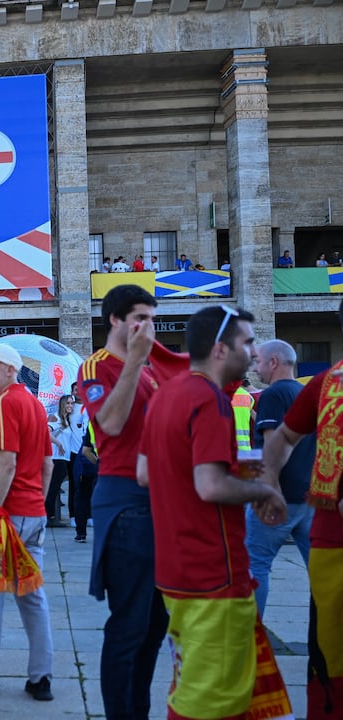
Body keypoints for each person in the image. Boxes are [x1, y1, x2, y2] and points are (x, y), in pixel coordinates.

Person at [138, 305, 291, 720]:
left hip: (175, 569)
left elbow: (145, 472)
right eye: (247, 342)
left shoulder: (166, 392)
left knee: (190, 684)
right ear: (221, 349)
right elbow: (209, 485)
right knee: (211, 701)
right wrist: (261, 489)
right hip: (213, 572)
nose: (254, 351)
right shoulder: (210, 400)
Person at [77, 284, 175, 720]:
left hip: (161, 501)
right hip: (124, 503)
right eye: (140, 318)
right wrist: (135, 360)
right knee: (129, 625)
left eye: (152, 319)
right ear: (115, 319)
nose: (147, 328)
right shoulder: (97, 366)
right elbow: (111, 424)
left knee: (155, 625)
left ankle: (138, 709)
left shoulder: (153, 366)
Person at [259, 299, 343, 719]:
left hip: (326, 529)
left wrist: (271, 483)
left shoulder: (327, 384)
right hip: (323, 526)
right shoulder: (321, 384)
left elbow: (281, 438)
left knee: (330, 644)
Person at [0, 343, 55, 702]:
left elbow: (7, 462)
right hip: (32, 513)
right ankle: (40, 678)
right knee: (33, 596)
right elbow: (47, 465)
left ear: (11, 370)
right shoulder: (34, 404)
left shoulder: (3, 404)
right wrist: (37, 504)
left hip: (3, 515)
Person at [247, 339, 314, 617]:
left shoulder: (273, 396)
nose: (256, 368)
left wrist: (268, 493)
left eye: (259, 362)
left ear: (273, 362)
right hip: (309, 497)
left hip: (280, 495)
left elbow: (274, 448)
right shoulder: (306, 393)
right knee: (320, 569)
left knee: (255, 565)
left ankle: (250, 640)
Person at [45, 395, 80, 527]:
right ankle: (48, 517)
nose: (70, 405)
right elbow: (46, 432)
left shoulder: (65, 419)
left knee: (53, 488)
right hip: (56, 458)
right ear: (63, 404)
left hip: (63, 458)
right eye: (68, 403)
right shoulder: (57, 418)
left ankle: (49, 516)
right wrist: (59, 444)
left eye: (72, 403)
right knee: (52, 488)